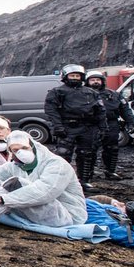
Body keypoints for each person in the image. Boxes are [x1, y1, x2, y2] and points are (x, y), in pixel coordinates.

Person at [44, 63, 105, 191]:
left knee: (87, 154)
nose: (75, 78)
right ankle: (61, 181)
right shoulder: (57, 92)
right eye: (72, 75)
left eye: (77, 76)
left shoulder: (91, 92)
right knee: (63, 154)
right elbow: (51, 110)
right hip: (67, 127)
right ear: (65, 76)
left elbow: (100, 111)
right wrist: (57, 127)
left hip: (87, 127)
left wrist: (103, 128)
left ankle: (84, 181)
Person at [86, 70, 134, 181]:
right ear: (87, 81)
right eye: (92, 80)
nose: (95, 82)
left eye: (97, 80)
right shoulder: (83, 95)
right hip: (91, 126)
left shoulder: (114, 94)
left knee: (112, 149)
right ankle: (88, 173)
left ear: (102, 81)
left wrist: (131, 123)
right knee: (89, 151)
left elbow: (125, 110)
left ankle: (110, 171)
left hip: (111, 124)